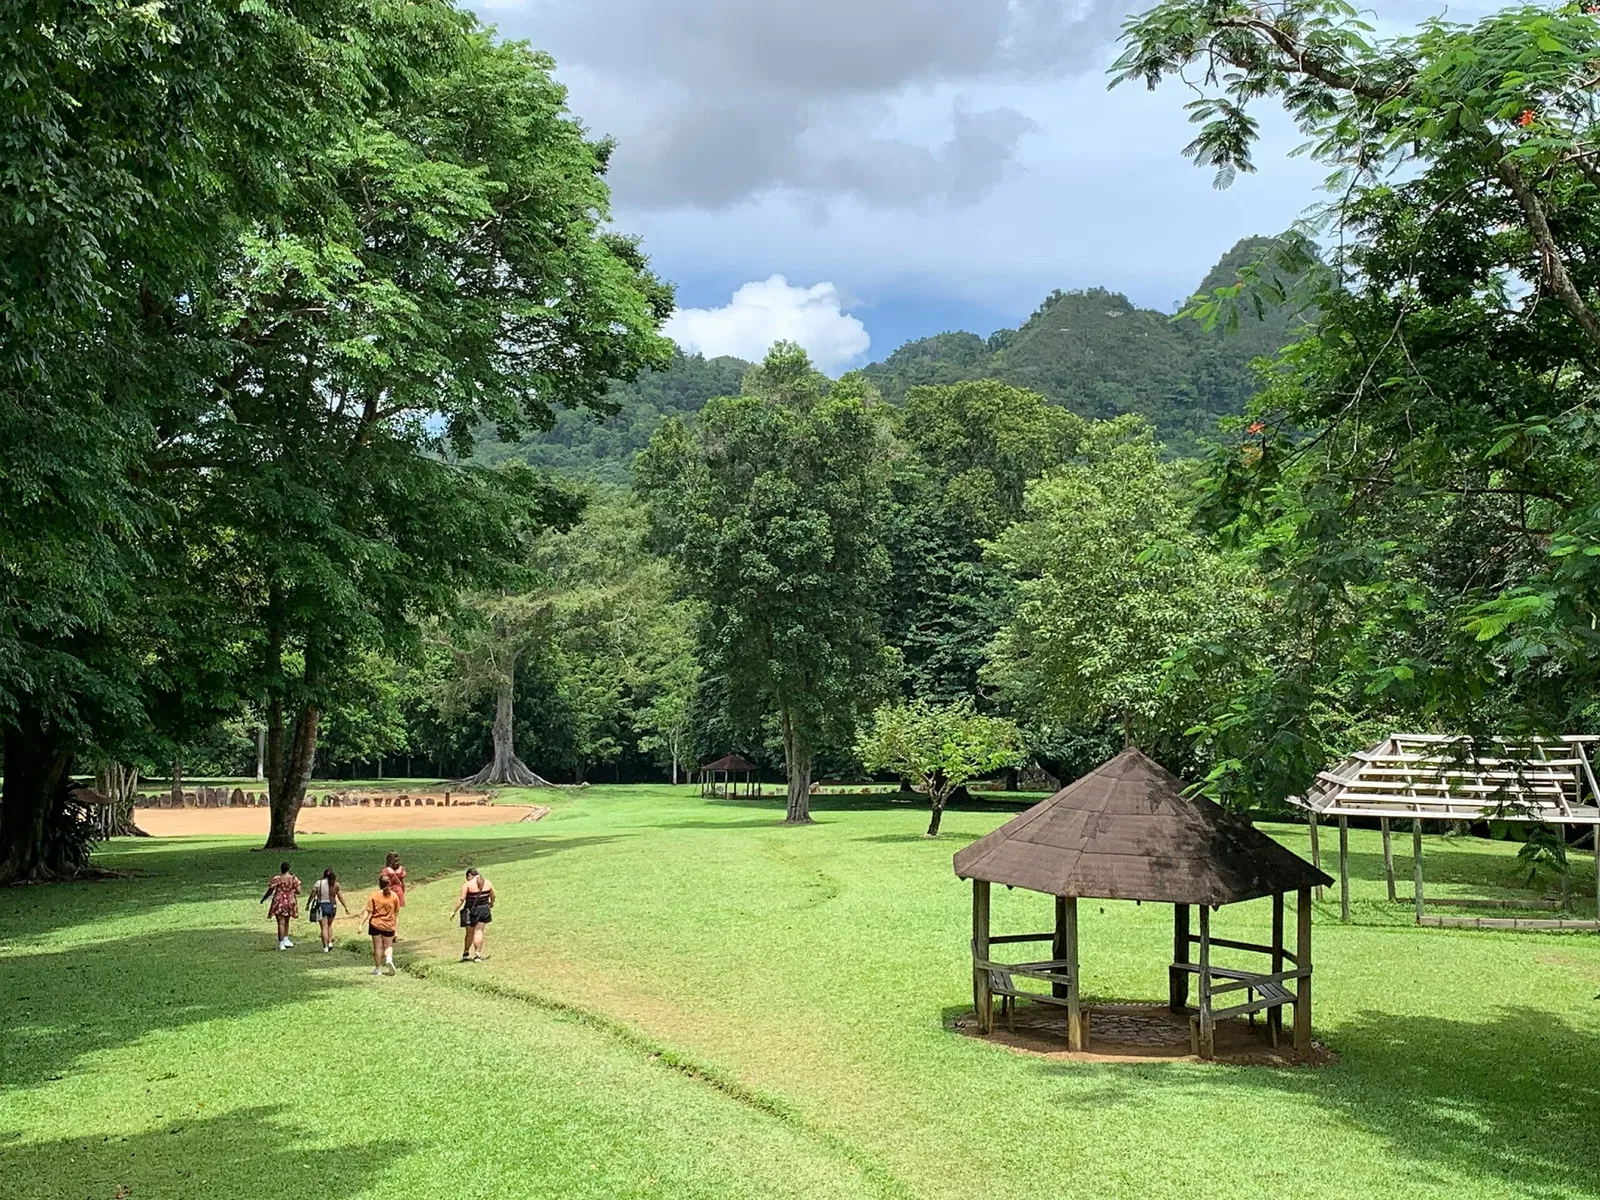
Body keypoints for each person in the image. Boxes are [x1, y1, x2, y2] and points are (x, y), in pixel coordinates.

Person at [451, 867, 495, 962]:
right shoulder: (487, 882)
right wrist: (491, 903)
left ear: (469, 875)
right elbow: (493, 895)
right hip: (484, 910)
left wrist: (454, 911)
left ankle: (466, 952)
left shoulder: (467, 885)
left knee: (469, 933)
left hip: (471, 910)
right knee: (479, 931)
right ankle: (478, 955)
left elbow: (462, 899)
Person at [362, 874, 401, 976]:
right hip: (389, 924)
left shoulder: (374, 895)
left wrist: (361, 923)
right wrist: (396, 930)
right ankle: (388, 958)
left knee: (377, 947)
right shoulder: (394, 896)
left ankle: (378, 968)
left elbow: (368, 911)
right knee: (388, 945)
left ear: (379, 884)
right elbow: (396, 914)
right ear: (390, 883)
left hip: (376, 924)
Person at [307, 868, 352, 952]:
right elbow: (340, 896)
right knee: (329, 925)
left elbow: (312, 894)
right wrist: (346, 907)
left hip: (322, 906)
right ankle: (330, 942)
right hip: (332, 906)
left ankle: (325, 947)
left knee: (324, 927)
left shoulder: (318, 883)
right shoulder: (336, 885)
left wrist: (308, 904)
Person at [260, 861, 301, 950]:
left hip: (279, 901)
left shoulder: (277, 879)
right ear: (289, 869)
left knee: (280, 923)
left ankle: (281, 942)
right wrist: (291, 890)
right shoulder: (293, 878)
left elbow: (270, 890)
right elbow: (299, 891)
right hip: (290, 901)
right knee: (287, 921)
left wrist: (264, 898)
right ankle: (286, 938)